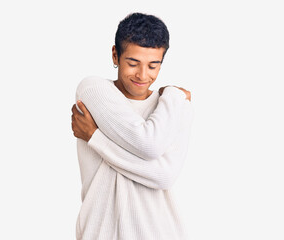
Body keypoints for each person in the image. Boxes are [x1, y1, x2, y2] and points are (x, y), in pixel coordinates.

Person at [71, 12, 194, 240]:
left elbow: (164, 176)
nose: (142, 75)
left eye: (153, 66)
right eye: (133, 63)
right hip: (98, 233)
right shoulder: (93, 90)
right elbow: (148, 145)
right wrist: (175, 97)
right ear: (115, 55)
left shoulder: (174, 106)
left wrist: (95, 137)